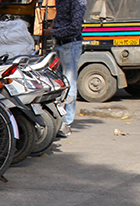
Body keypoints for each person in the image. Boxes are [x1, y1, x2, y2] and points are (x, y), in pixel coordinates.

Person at [48, 0, 86, 137]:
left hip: (70, 44)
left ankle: (67, 121)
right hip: (60, 44)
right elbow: (59, 18)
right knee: (56, 83)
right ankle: (58, 119)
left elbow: (75, 27)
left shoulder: (78, 1)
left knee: (69, 83)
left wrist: (53, 32)